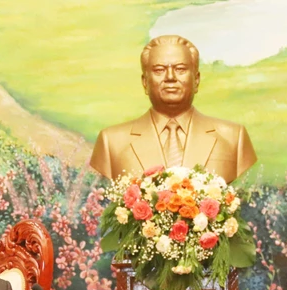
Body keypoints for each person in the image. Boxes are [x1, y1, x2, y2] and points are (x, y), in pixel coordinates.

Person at [89, 35, 256, 183]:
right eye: (159, 70)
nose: (170, 77)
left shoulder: (233, 138)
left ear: (196, 80)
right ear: (145, 82)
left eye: (181, 69)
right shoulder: (111, 142)